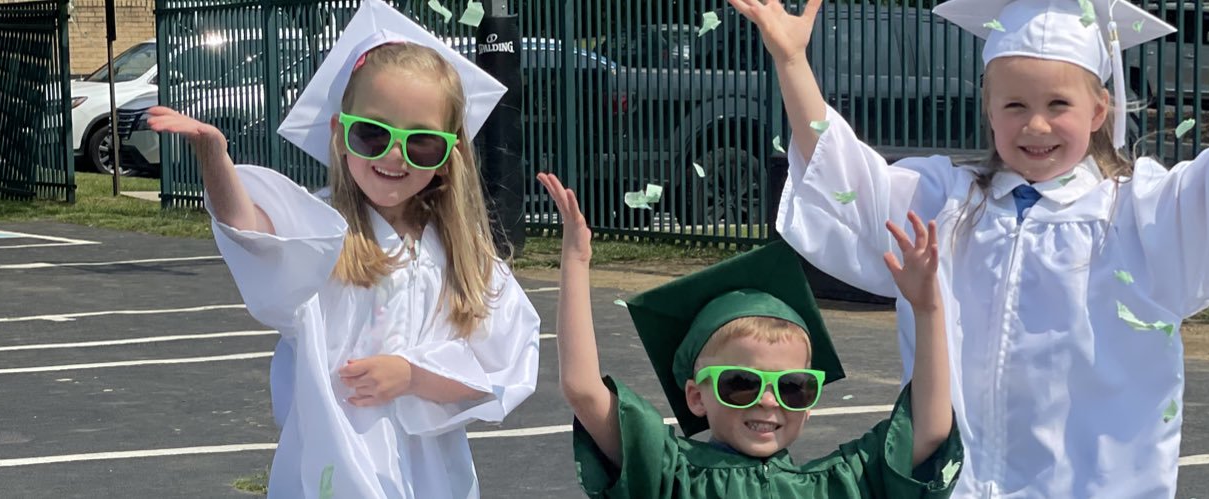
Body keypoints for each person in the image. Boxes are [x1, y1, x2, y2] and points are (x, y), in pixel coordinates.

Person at [748, 0, 1209, 494]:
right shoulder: (945, 203)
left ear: (1099, 110)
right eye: (1014, 105)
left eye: (1058, 105)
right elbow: (844, 175)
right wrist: (792, 62)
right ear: (989, 109)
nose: (1035, 125)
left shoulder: (1138, 215)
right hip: (960, 484)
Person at [146, 1, 538, 496]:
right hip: (334, 465)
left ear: (448, 156)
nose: (394, 155)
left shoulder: (463, 257)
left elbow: (503, 366)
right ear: (340, 134)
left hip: (430, 476)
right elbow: (253, 232)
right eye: (372, 135)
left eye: (421, 142)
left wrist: (413, 376)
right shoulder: (323, 232)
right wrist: (215, 158)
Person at [538, 171, 963, 498]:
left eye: (794, 388)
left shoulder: (836, 486)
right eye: (740, 383)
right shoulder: (672, 476)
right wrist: (576, 261)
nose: (769, 400)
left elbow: (927, 431)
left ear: (810, 405)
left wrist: (928, 310)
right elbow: (583, 389)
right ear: (696, 396)